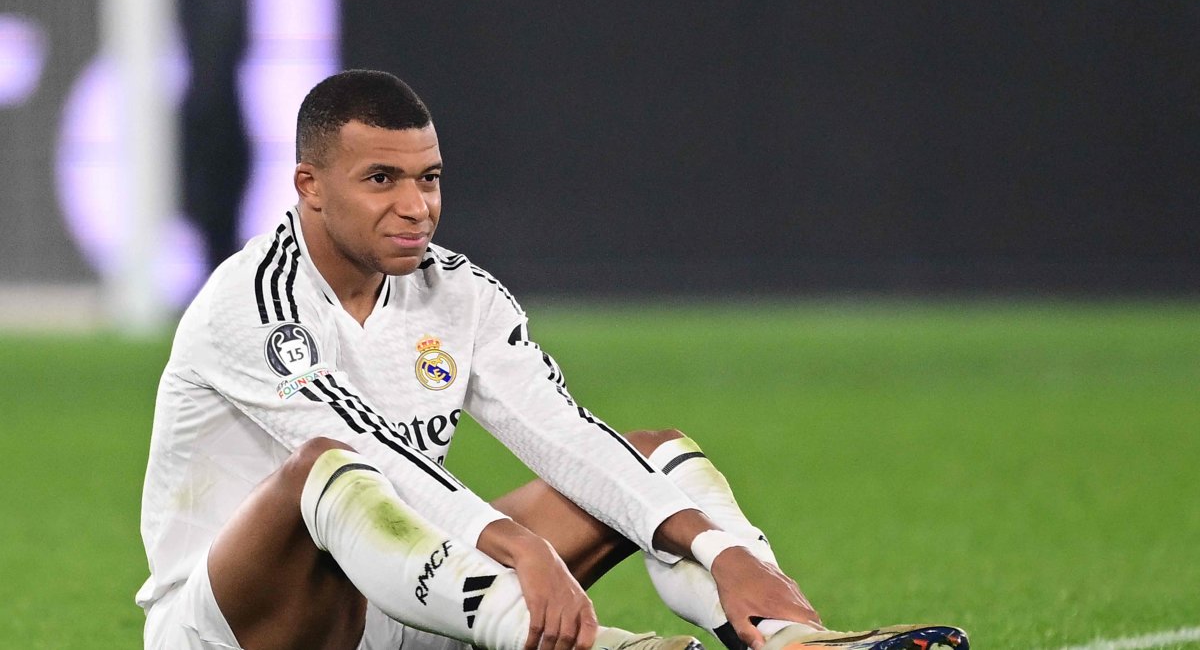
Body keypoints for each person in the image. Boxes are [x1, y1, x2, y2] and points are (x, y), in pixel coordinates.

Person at [137, 69, 969, 650]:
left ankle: (787, 638)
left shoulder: (458, 293)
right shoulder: (252, 303)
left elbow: (563, 435)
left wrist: (725, 551)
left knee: (650, 455)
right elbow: (379, 460)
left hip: (413, 601)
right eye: (381, 179)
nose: (416, 206)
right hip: (238, 631)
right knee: (332, 463)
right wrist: (515, 544)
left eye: (428, 178)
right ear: (309, 185)